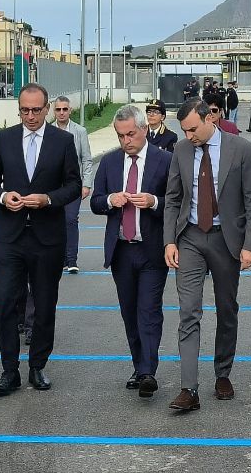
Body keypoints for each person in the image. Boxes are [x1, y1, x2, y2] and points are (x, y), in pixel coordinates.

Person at [163, 98, 251, 412]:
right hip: (190, 237)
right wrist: (169, 241)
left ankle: (223, 374)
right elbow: (172, 199)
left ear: (210, 119)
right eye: (184, 130)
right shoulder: (181, 150)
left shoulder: (241, 149)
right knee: (188, 311)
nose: (188, 135)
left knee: (226, 309)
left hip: (226, 239)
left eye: (193, 129)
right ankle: (188, 388)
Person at [0, 83, 81, 396]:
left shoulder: (62, 141)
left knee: (45, 303)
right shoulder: (5, 138)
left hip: (47, 237)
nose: (30, 116)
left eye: (36, 110)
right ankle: (9, 370)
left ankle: (37, 365)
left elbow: (73, 186)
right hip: (10, 236)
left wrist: (47, 199)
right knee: (4, 301)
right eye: (24, 110)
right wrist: (3, 196)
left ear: (47, 108)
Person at [90, 106, 172, 398]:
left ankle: (148, 371)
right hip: (121, 250)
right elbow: (95, 202)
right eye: (120, 135)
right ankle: (139, 367)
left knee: (148, 310)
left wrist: (154, 202)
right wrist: (110, 200)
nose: (126, 141)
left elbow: (176, 202)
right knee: (129, 312)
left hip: (152, 250)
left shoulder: (165, 160)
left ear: (144, 129)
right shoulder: (110, 162)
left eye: (131, 134)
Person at [52, 96, 93, 274]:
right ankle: (60, 258)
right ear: (54, 111)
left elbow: (86, 159)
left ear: (70, 110)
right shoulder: (47, 131)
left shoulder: (80, 131)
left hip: (73, 185)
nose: (61, 112)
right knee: (55, 222)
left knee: (70, 219)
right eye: (58, 109)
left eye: (65, 109)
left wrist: (86, 184)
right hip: (52, 186)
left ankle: (71, 260)